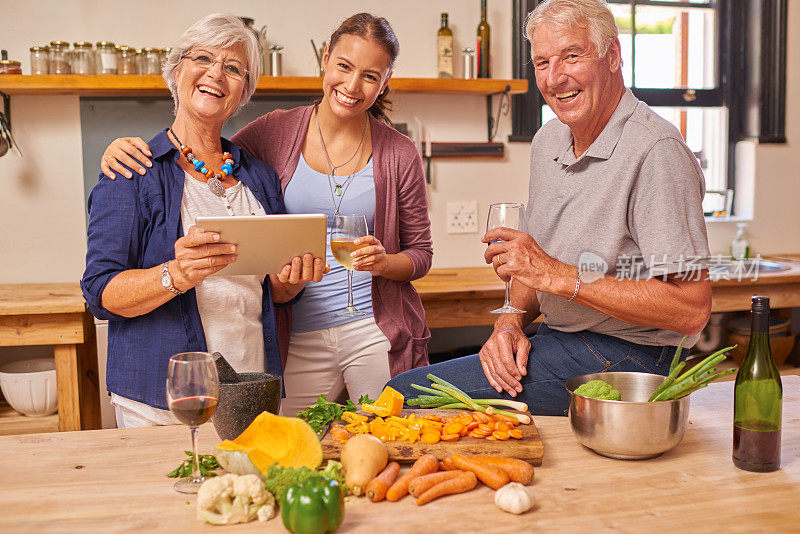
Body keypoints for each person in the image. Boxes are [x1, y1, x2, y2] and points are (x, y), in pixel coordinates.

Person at [97, 13, 433, 416]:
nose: (351, 84)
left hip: (340, 337)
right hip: (286, 341)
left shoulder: (257, 173)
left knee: (386, 436)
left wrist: (301, 281)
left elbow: (418, 253)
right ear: (325, 59)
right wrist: (122, 148)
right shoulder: (267, 136)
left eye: (234, 68)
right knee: (295, 448)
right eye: (344, 66)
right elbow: (193, 144)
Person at [387, 0, 712, 415]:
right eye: (542, 62)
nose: (556, 78)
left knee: (404, 396)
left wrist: (558, 275)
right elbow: (533, 267)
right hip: (559, 337)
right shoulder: (548, 141)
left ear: (613, 56)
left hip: (634, 360)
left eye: (572, 56)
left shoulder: (656, 152)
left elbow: (691, 310)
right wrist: (508, 322)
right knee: (415, 393)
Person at [81, 13, 325, 428]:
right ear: (176, 72)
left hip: (250, 390)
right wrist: (175, 275)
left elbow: (274, 293)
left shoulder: (259, 177)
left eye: (234, 68)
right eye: (203, 58)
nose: (216, 73)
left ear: (243, 93)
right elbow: (99, 291)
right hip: (163, 401)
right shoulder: (132, 171)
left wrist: (291, 281)